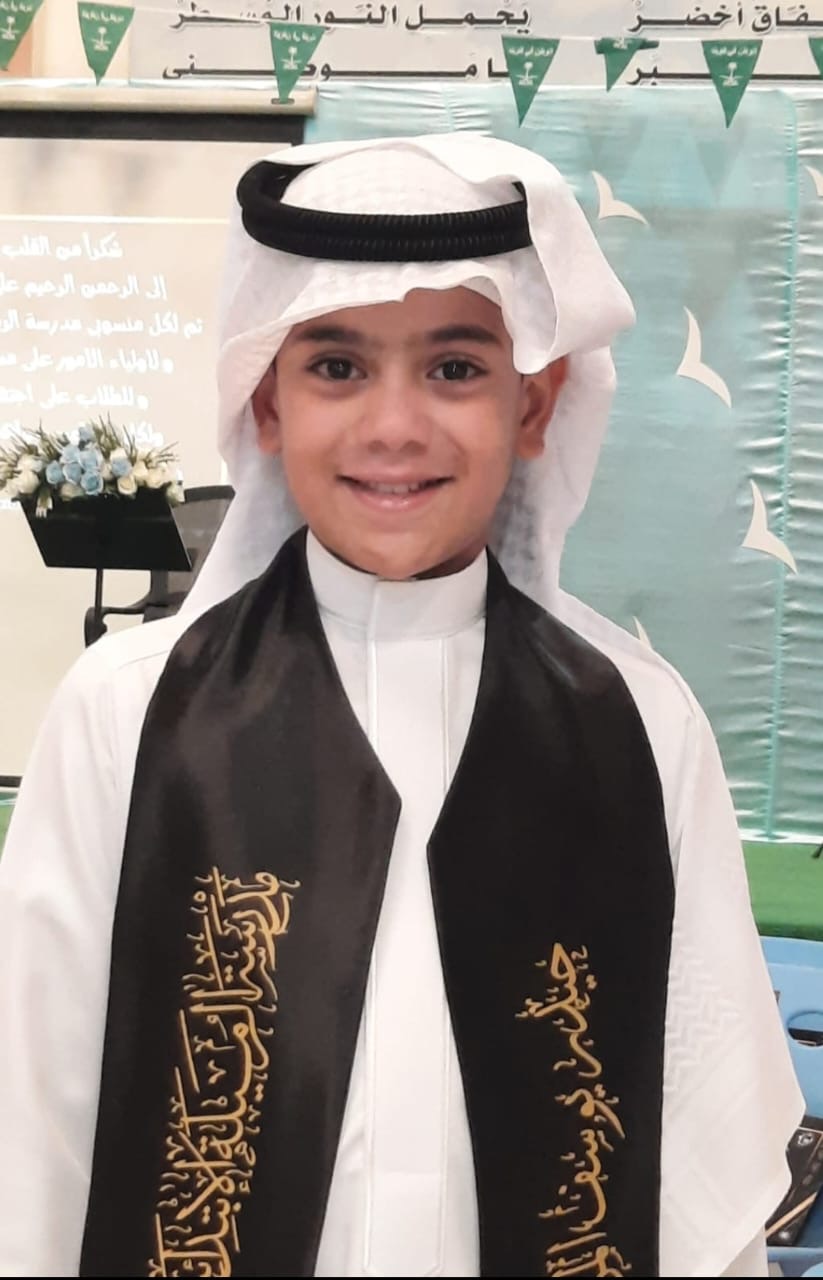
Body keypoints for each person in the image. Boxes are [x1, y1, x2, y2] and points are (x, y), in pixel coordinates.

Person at [0, 133, 803, 1279]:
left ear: (535, 404)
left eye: (454, 368)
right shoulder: (129, 714)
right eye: (335, 366)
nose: (392, 427)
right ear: (265, 401)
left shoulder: (635, 721)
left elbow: (697, 1164)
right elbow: (31, 1132)